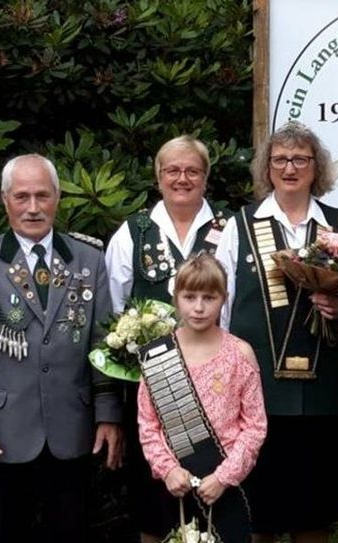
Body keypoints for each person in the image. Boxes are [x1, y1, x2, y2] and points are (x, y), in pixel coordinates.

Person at [0, 154, 123, 543]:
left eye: (43, 196)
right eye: (22, 196)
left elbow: (102, 344)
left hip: (71, 430)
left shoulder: (88, 258)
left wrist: (108, 414)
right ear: (5, 200)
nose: (33, 207)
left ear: (58, 198)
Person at [215, 121, 338, 543]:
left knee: (313, 514)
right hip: (257, 393)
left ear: (316, 168)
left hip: (323, 393)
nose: (290, 168)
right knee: (258, 513)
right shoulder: (240, 226)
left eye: (300, 159)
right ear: (267, 168)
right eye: (280, 159)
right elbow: (222, 306)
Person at [105, 135, 228, 542]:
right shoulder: (133, 231)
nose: (182, 178)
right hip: (152, 399)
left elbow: (236, 307)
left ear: (206, 177)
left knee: (213, 500)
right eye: (172, 170)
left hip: (216, 393)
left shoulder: (228, 228)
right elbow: (115, 308)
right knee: (153, 506)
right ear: (158, 177)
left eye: (192, 170)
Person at [136, 253, 267, 543]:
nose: (198, 307)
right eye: (190, 296)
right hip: (174, 485)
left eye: (209, 297)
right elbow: (148, 425)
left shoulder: (240, 354)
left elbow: (255, 426)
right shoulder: (156, 356)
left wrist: (224, 476)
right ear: (176, 298)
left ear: (224, 298)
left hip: (228, 485)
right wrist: (168, 469)